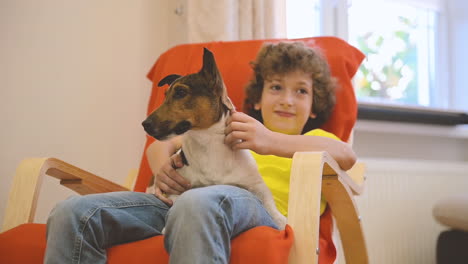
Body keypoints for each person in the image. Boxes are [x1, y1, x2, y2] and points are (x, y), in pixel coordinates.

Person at [44, 42, 356, 264]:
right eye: (276, 87)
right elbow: (161, 145)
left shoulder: (314, 138)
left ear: (315, 106)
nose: (288, 100)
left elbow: (344, 155)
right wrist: (163, 165)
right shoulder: (229, 127)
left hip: (251, 211)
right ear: (256, 100)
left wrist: (270, 141)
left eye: (301, 91)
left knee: (196, 202)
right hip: (175, 203)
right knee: (71, 213)